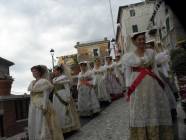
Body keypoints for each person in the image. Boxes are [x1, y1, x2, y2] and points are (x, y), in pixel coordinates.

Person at [123, 31, 173, 140]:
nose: (141, 41)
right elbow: (127, 73)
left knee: (153, 107)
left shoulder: (151, 52)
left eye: (143, 39)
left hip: (152, 85)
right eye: (139, 39)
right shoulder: (129, 57)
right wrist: (128, 88)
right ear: (134, 41)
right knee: (140, 109)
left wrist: (160, 83)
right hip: (137, 87)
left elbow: (154, 68)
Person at [27, 65, 64, 140]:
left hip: (41, 105)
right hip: (34, 105)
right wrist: (31, 104)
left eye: (35, 71)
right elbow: (31, 94)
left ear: (40, 72)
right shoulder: (32, 82)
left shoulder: (44, 81)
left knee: (41, 122)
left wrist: (44, 106)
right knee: (34, 122)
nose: (33, 73)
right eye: (32, 72)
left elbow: (46, 94)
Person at [52, 65, 80, 133]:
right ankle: (61, 127)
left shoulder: (63, 77)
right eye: (53, 70)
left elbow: (67, 87)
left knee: (64, 110)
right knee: (58, 111)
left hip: (63, 95)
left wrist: (68, 97)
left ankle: (68, 127)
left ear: (59, 71)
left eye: (55, 70)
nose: (54, 72)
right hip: (56, 96)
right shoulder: (54, 79)